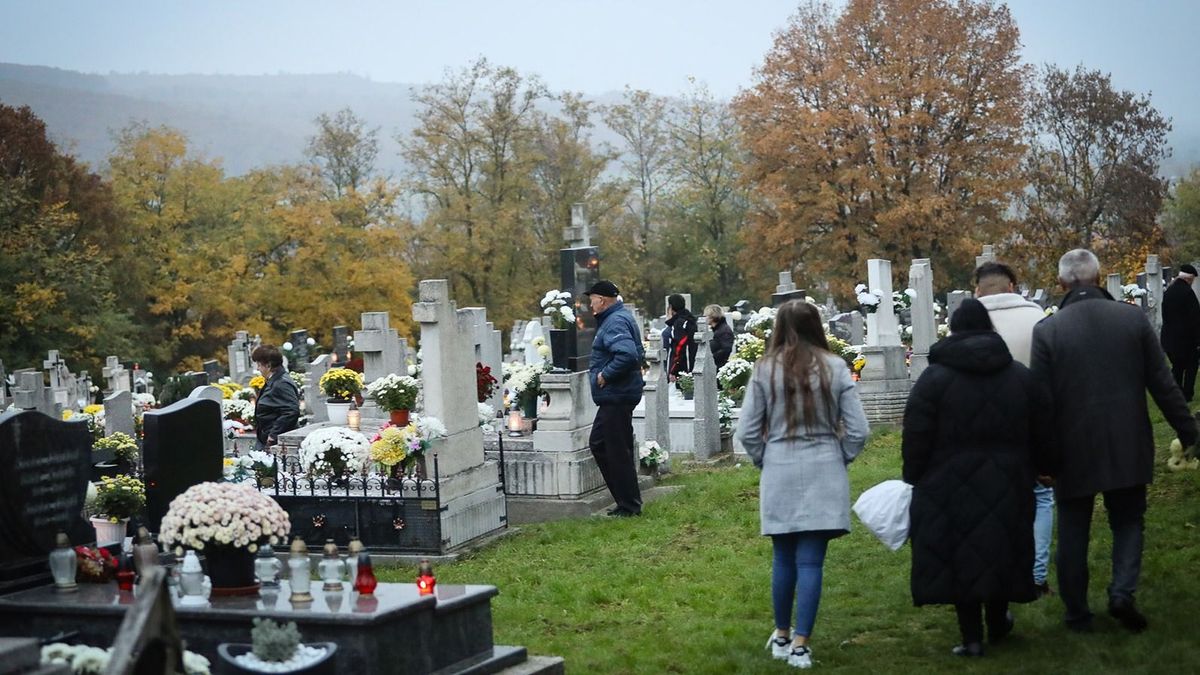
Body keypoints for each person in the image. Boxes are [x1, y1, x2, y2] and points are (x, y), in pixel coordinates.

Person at [1030, 249, 1199, 633]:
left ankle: (1076, 613)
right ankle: (1122, 592)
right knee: (1128, 522)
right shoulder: (1131, 319)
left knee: (1073, 529)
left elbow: (1040, 402)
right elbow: (1163, 383)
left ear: (1062, 284)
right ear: (1099, 276)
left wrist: (1041, 460)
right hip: (1127, 439)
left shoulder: (1048, 331)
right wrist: (1188, 432)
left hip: (1071, 447)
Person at [902, 299, 1053, 657]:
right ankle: (999, 622)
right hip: (1010, 477)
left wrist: (914, 475)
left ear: (953, 329)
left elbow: (917, 432)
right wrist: (1046, 465)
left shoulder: (933, 380)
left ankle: (971, 637)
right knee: (1000, 548)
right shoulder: (1019, 376)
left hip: (947, 481)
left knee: (961, 555)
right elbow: (1043, 426)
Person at [736, 300, 869, 669]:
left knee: (783, 556)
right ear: (817, 327)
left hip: (779, 464)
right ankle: (800, 643)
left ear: (779, 327)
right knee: (811, 561)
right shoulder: (835, 367)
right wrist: (840, 455)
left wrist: (765, 458)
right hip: (825, 465)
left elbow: (746, 430)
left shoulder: (765, 370)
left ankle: (781, 633)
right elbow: (859, 430)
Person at [974, 261, 1056, 597]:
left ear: (978, 289)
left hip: (982, 425)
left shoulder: (970, 322)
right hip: (1032, 419)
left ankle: (998, 571)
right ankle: (1036, 575)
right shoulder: (1036, 318)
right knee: (1042, 497)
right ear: (1012, 286)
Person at [584, 280, 646, 517]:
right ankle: (626, 501)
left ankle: (629, 505)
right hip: (617, 395)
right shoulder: (617, 317)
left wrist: (605, 375)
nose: (591, 305)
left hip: (617, 395)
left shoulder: (615, 321)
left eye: (593, 300)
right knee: (602, 444)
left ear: (603, 300)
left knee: (614, 449)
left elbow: (628, 355)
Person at [1159, 263, 1200, 401]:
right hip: (1186, 340)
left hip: (1169, 339)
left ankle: (1175, 394)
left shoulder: (1168, 292)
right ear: (1189, 279)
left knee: (1177, 367)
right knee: (1191, 366)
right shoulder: (1188, 293)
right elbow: (1195, 319)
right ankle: (1187, 394)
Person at [252, 344, 300, 450]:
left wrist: (274, 434)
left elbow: (291, 411)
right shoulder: (275, 380)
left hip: (275, 440)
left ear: (268, 366)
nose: (258, 368)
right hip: (267, 436)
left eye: (259, 365)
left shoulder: (281, 383)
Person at [665, 294, 697, 381]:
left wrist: (673, 370)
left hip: (682, 368)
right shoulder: (689, 319)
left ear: (671, 307)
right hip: (690, 363)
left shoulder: (679, 323)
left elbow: (679, 347)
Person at [704, 304, 735, 369]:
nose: (704, 318)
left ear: (712, 317)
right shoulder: (718, 330)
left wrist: (711, 357)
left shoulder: (724, 330)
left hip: (719, 366)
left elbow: (726, 349)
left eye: (706, 316)